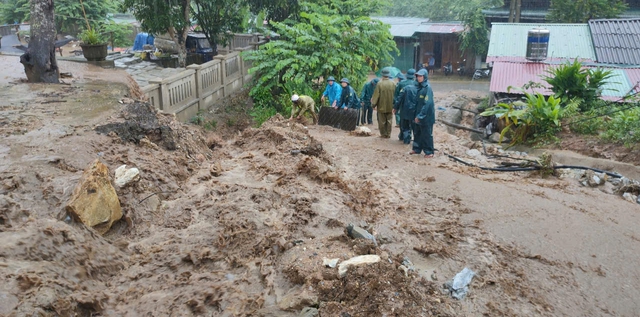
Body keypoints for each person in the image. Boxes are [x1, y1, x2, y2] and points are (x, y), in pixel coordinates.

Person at [410, 69, 436, 157]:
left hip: (426, 116)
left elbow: (427, 103)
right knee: (417, 133)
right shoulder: (420, 87)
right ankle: (417, 149)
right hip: (418, 114)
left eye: (420, 76)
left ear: (424, 77)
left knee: (426, 134)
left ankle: (429, 152)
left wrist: (421, 116)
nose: (418, 78)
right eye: (417, 76)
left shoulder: (427, 88)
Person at [371, 69, 396, 138]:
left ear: (382, 75)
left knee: (382, 121)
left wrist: (373, 105)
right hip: (391, 105)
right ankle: (388, 134)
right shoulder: (393, 83)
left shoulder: (379, 84)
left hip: (381, 106)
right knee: (389, 121)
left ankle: (383, 134)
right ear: (389, 75)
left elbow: (376, 95)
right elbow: (396, 95)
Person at [393, 77, 418, 144]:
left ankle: (406, 141)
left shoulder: (405, 88)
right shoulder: (420, 90)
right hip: (414, 112)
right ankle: (416, 143)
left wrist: (395, 108)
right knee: (415, 128)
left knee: (405, 127)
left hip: (405, 111)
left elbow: (399, 98)